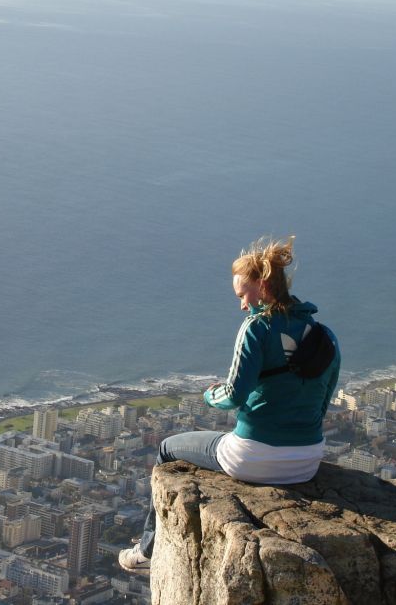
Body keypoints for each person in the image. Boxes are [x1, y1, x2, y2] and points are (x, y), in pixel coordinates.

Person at [119, 235, 340, 574]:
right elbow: (324, 402)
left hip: (253, 457)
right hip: (308, 460)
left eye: (243, 294)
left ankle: (147, 552)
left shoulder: (257, 328)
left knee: (166, 449)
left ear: (263, 286)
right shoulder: (325, 335)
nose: (241, 305)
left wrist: (210, 394)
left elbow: (234, 395)